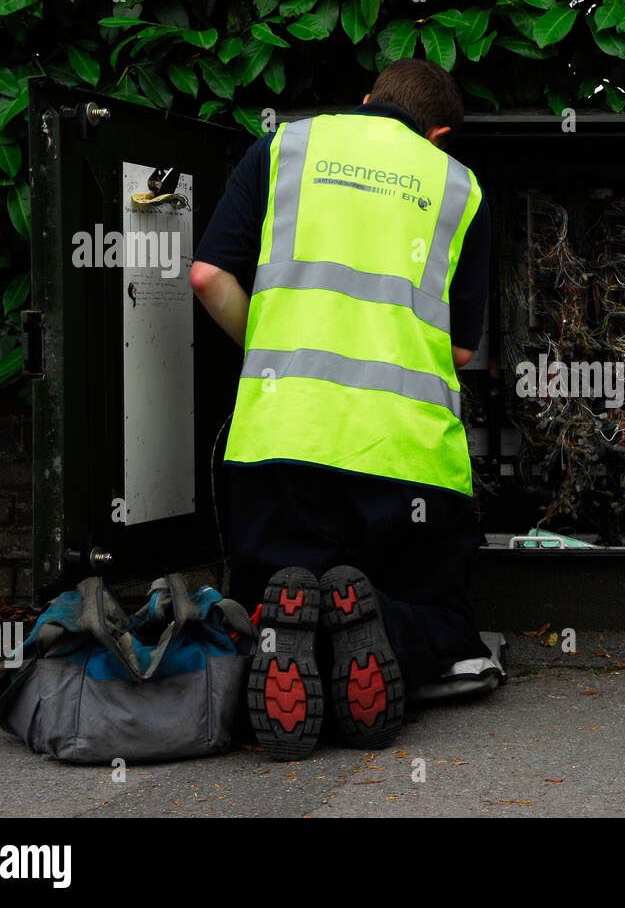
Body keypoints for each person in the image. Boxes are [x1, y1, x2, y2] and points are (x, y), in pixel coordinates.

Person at [189, 59, 499, 759]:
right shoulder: (458, 187)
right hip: (404, 463)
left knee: (274, 586)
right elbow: (456, 353)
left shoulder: (287, 146)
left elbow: (207, 275)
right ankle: (376, 628)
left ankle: (287, 626)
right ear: (440, 133)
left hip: (280, 445)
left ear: (365, 100)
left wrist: (272, 348)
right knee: (442, 617)